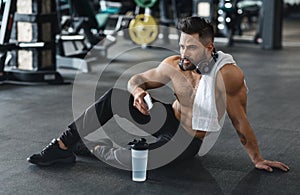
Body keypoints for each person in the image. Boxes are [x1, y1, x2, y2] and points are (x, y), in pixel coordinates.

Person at [27, 16, 289, 172]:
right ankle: (62, 144)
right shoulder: (174, 64)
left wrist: (257, 159)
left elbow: (239, 120)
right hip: (167, 119)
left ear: (209, 48)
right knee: (116, 96)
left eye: (192, 48)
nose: (184, 53)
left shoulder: (227, 75)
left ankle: (93, 148)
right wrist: (138, 91)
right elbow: (137, 78)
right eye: (181, 45)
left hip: (187, 141)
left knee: (135, 162)